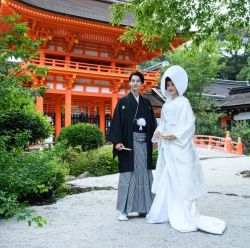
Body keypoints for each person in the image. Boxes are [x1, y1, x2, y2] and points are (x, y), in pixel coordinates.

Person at [146, 65, 226, 234]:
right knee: (168, 177)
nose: (170, 88)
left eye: (172, 84)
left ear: (179, 85)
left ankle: (183, 214)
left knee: (181, 179)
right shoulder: (166, 105)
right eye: (167, 85)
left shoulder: (184, 102)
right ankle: (165, 212)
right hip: (167, 147)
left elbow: (189, 124)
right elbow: (164, 123)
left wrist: (176, 135)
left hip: (179, 146)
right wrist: (159, 133)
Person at [108, 71, 157, 221]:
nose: (135, 83)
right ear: (129, 83)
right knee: (128, 175)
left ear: (142, 84)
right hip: (128, 144)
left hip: (144, 144)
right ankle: (124, 210)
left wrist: (154, 139)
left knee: (144, 174)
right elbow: (117, 122)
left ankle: (144, 208)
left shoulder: (147, 103)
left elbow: (152, 124)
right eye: (132, 81)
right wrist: (117, 141)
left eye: (138, 81)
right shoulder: (123, 102)